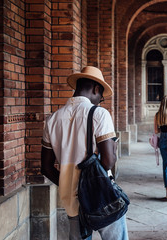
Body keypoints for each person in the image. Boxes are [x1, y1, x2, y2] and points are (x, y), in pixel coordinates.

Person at [41, 66, 128, 240]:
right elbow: (109, 161)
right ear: (96, 88)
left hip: (71, 200)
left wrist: (70, 183)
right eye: (101, 97)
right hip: (101, 196)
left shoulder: (52, 119)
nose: (99, 101)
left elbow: (46, 167)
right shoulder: (99, 114)